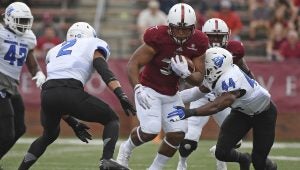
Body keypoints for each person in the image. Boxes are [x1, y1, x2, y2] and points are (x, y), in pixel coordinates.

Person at [18, 22, 136, 170]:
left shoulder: (54, 50)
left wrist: (73, 122)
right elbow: (103, 69)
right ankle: (106, 160)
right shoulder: (92, 43)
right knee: (111, 119)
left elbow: (57, 91)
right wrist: (121, 94)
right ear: (89, 35)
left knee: (48, 135)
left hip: (48, 94)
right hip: (70, 90)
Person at [116, 3, 209, 170]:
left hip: (172, 94)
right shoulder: (157, 36)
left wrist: (186, 74)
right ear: (169, 25)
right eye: (177, 28)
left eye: (186, 29)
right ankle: (126, 148)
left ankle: (155, 168)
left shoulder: (199, 41)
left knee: (177, 134)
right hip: (149, 88)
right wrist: (138, 88)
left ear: (193, 27)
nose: (181, 33)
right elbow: (133, 64)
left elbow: (199, 78)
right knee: (150, 131)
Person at [0, 2, 91, 166]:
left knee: (20, 128)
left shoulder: (27, 37)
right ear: (8, 18)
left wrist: (38, 73)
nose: (24, 24)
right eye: (19, 19)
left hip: (11, 86)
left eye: (26, 20)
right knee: (6, 133)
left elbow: (30, 60)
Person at [168, 47, 278, 170]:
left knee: (259, 162)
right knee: (221, 153)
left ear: (215, 65)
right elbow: (197, 93)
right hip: (242, 113)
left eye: (205, 63)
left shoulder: (230, 78)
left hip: (264, 114)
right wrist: (169, 99)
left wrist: (189, 112)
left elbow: (217, 105)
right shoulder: (217, 75)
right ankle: (244, 159)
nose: (201, 66)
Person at [176, 18, 253, 170]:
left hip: (223, 99)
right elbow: (192, 82)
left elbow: (246, 72)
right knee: (188, 142)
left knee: (235, 141)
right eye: (212, 36)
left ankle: (219, 156)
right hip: (202, 96)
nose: (216, 40)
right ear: (204, 36)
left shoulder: (234, 50)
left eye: (219, 36)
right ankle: (182, 163)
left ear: (227, 36)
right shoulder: (196, 50)